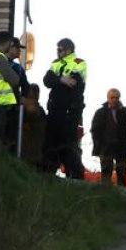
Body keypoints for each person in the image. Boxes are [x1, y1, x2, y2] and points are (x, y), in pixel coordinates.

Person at [42, 37, 88, 179]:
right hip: (55, 110)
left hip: (69, 112)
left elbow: (74, 82)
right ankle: (48, 173)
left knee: (68, 145)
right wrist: (62, 79)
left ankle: (75, 177)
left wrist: (58, 80)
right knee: (50, 144)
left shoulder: (79, 63)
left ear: (68, 50)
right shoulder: (55, 63)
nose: (58, 52)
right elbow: (47, 80)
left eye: (60, 49)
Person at [91, 88, 126, 186]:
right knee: (106, 172)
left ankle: (123, 193)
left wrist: (122, 110)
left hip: (121, 146)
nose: (115, 100)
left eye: (117, 97)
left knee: (121, 173)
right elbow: (95, 129)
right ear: (108, 98)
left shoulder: (125, 110)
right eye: (112, 97)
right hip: (106, 146)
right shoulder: (101, 112)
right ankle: (106, 192)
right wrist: (98, 144)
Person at [20, 84, 47, 168]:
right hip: (32, 156)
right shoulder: (39, 110)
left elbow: (32, 111)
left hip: (29, 158)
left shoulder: (36, 110)